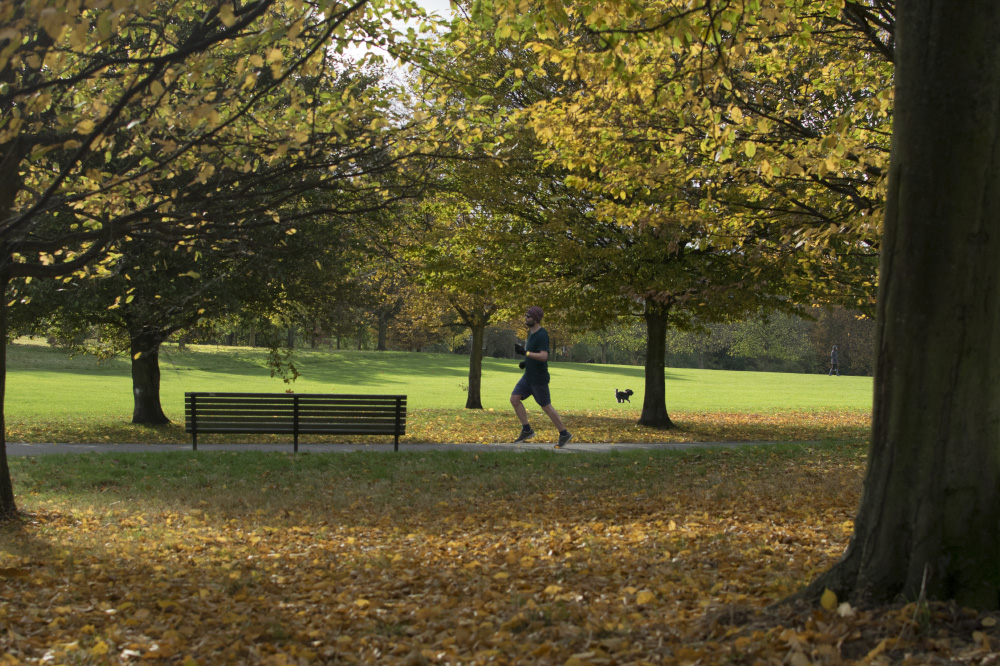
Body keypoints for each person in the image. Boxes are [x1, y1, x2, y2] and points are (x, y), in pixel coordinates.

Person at [511, 305, 573, 448]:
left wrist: (525, 353)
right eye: (525, 316)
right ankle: (527, 430)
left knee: (545, 406)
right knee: (514, 399)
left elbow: (544, 356)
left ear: (536, 319)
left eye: (528, 316)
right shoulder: (530, 333)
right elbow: (534, 353)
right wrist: (526, 362)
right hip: (528, 376)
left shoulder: (542, 334)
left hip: (539, 378)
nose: (525, 318)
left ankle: (564, 433)